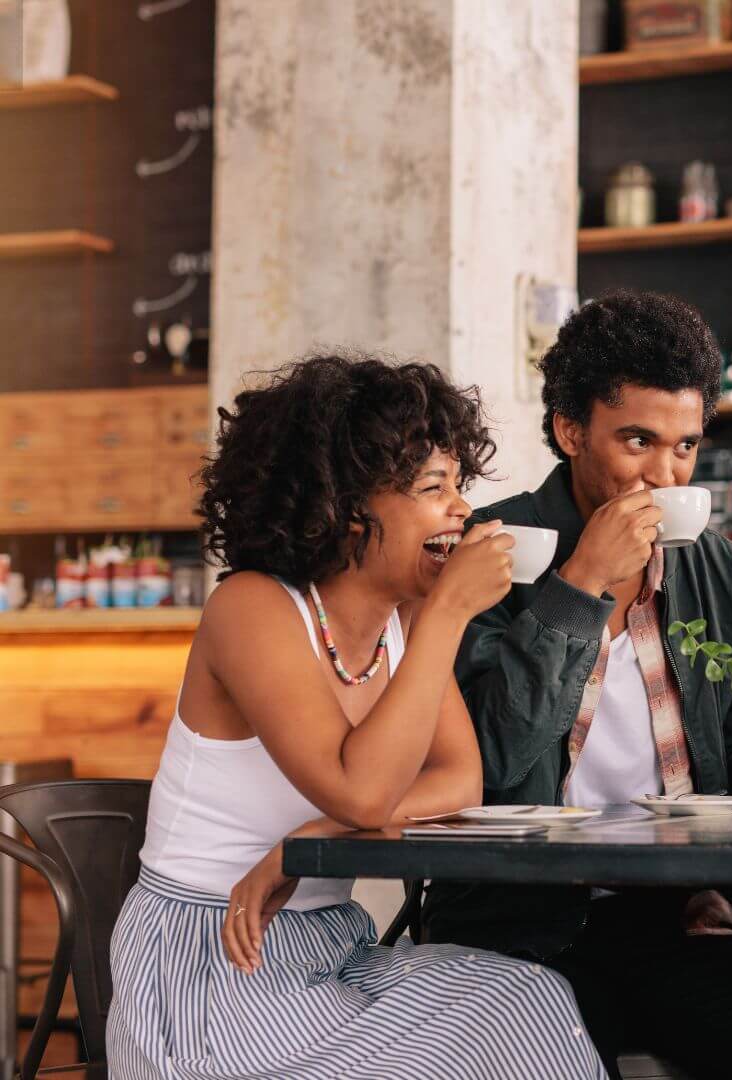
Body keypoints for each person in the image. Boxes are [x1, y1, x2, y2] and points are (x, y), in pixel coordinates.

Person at [106, 355, 606, 1080]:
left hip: (327, 947)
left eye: (459, 486)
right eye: (435, 488)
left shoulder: (403, 621)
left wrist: (307, 841)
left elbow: (459, 783)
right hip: (213, 958)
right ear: (344, 507)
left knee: (527, 998)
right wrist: (449, 613)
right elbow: (363, 791)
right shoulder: (251, 608)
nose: (462, 511)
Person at [421, 291, 732, 1080]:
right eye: (637, 441)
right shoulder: (492, 549)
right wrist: (580, 582)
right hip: (521, 922)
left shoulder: (715, 567)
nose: (665, 472)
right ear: (570, 430)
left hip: (677, 916)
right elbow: (485, 761)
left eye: (685, 446)